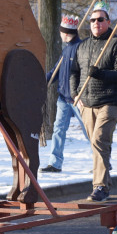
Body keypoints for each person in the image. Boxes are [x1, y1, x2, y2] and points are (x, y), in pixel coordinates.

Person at [69, 2, 117, 202]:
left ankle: (100, 187)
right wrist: (75, 94)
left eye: (100, 19)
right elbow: (74, 72)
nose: (96, 23)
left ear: (108, 22)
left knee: (99, 140)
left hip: (110, 102)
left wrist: (101, 74)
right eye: (93, 20)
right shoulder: (83, 45)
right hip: (86, 102)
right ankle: (105, 181)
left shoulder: (116, 43)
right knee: (98, 145)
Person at [42, 14, 89, 173]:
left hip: (78, 99)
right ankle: (55, 163)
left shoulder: (80, 48)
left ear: (67, 33)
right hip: (63, 98)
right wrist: (41, 80)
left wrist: (80, 94)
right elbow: (55, 71)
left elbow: (83, 74)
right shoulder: (66, 50)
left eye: (62, 32)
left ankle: (102, 161)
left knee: (89, 130)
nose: (60, 34)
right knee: (58, 129)